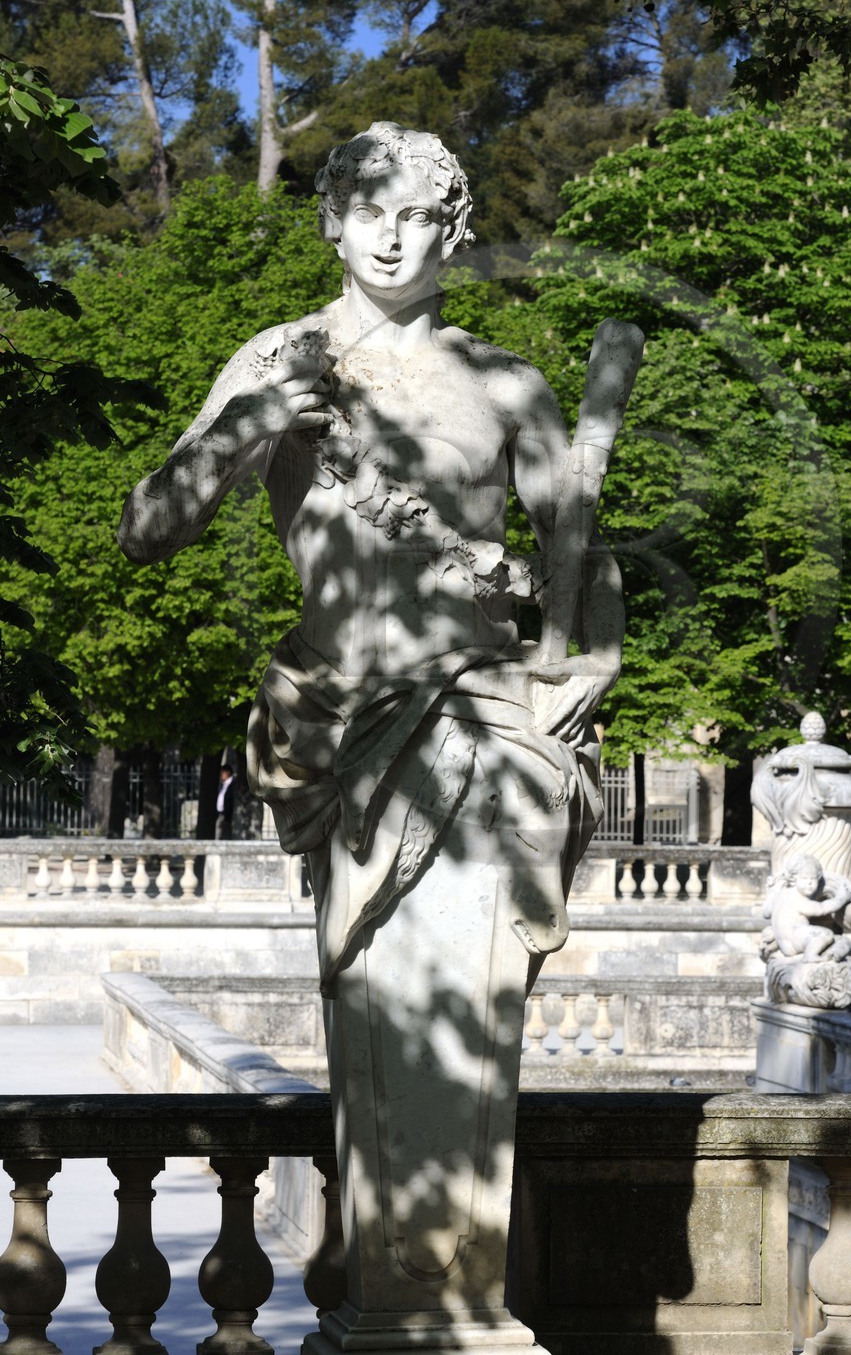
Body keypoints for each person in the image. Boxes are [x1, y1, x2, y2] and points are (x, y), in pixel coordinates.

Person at [117, 121, 624, 990]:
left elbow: (580, 553)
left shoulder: (507, 385)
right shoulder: (278, 359)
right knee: (376, 1018)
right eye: (367, 211)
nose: (390, 238)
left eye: (417, 215)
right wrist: (253, 423)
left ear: (453, 232)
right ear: (332, 223)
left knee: (471, 1026)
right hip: (336, 714)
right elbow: (146, 532)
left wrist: (597, 658)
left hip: (485, 715)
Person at [215, 763, 235, 840]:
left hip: (228, 815)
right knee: (219, 834)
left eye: (222, 772)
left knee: (226, 835)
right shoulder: (223, 784)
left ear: (228, 772)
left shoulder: (232, 784)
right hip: (221, 814)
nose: (220, 775)